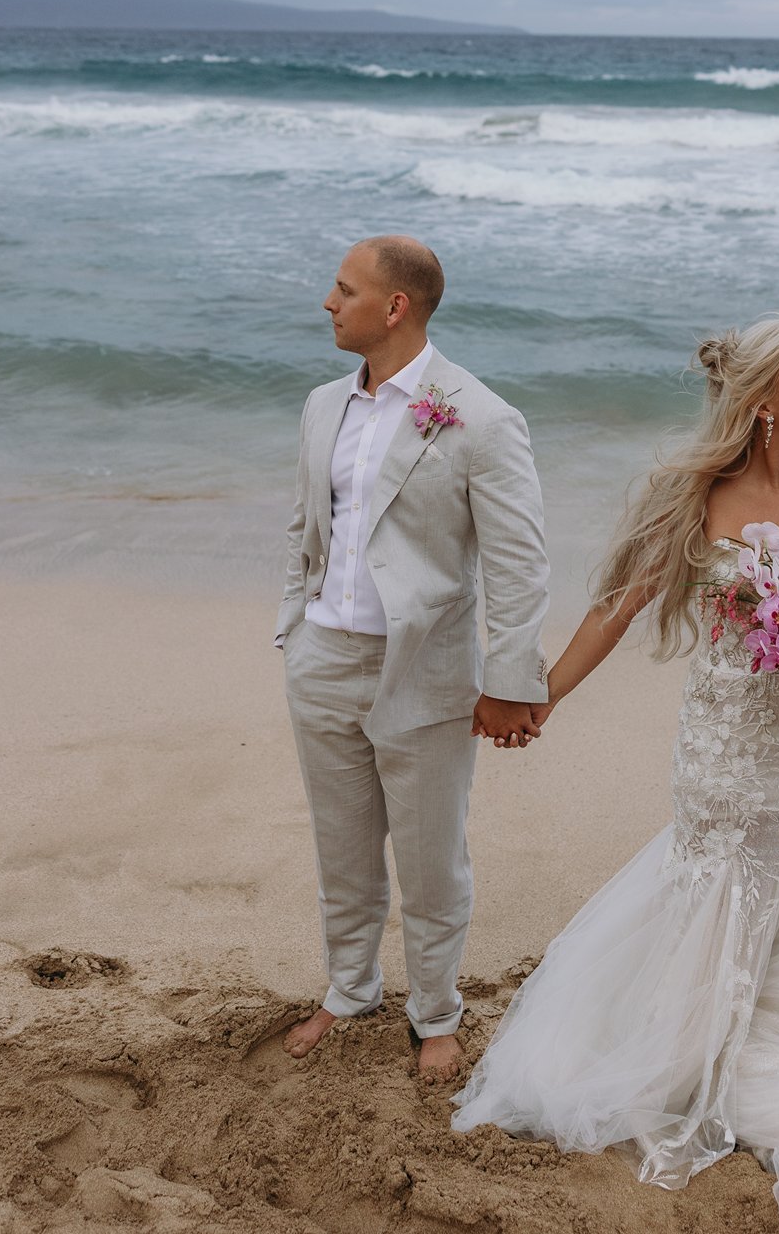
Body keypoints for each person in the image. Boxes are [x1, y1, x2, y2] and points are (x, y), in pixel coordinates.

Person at [453, 314, 779, 1233]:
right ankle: (696, 1059)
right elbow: (612, 611)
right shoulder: (695, 506)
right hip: (730, 761)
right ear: (759, 407)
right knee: (721, 898)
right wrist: (537, 697)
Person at [276, 235, 549, 1081]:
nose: (328, 302)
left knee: (432, 860)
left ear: (395, 307)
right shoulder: (324, 404)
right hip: (323, 658)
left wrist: (509, 683)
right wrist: (295, 624)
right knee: (342, 850)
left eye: (343, 289)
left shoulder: (481, 416)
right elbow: (305, 526)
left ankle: (436, 1012)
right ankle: (349, 989)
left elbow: (519, 564)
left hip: (424, 671)